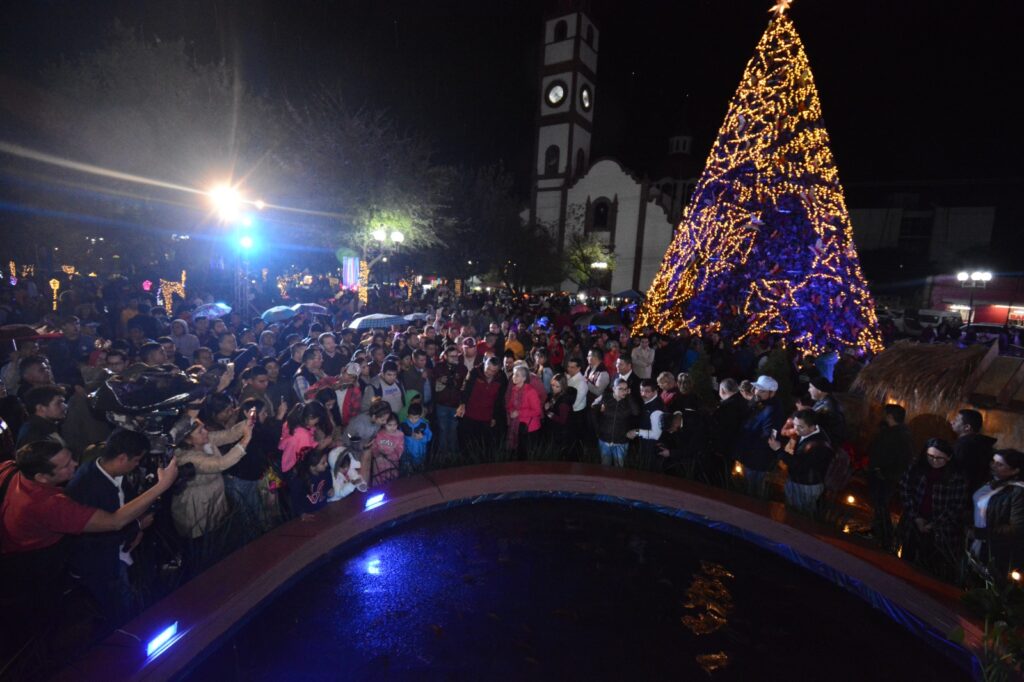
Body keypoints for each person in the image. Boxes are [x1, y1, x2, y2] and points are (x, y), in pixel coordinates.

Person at [0, 441, 178, 642]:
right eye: (66, 466)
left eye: (72, 458)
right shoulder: (47, 505)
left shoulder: (8, 469)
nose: (75, 464)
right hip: (34, 569)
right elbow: (114, 521)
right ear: (41, 477)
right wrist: (162, 485)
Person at [65, 428, 151, 626]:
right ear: (122, 458)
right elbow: (97, 533)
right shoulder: (87, 488)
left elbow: (128, 503)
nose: (137, 465)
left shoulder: (111, 472)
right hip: (102, 563)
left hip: (118, 553)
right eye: (136, 460)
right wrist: (138, 525)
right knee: (119, 606)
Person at [170, 416, 253, 573]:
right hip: (196, 509)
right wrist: (245, 440)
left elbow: (228, 434)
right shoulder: (187, 457)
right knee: (202, 550)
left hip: (213, 501)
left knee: (217, 542)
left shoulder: (204, 441)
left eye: (204, 427)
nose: (206, 432)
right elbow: (221, 464)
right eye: (200, 431)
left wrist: (245, 424)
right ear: (188, 440)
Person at [897, 438, 969, 578]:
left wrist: (933, 524)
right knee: (907, 560)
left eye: (939, 458)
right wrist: (916, 517)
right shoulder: (916, 467)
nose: (934, 461)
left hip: (941, 529)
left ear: (948, 458)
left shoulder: (957, 477)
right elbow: (905, 489)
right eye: (930, 456)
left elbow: (956, 506)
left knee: (932, 568)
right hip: (913, 521)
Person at [970, 449, 1024, 583]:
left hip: (997, 549)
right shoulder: (991, 482)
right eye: (993, 461)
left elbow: (1017, 527)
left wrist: (984, 532)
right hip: (979, 542)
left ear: (1015, 471)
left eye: (1000, 464)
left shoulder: (1018, 491)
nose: (993, 466)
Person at [769, 409, 833, 515]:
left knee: (800, 515)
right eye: (795, 425)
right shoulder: (808, 433)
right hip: (799, 481)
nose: (796, 429)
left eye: (800, 427)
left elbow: (799, 466)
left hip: (806, 485)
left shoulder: (818, 445)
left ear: (813, 427)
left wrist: (778, 450)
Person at [866, 404, 913, 549]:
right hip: (889, 475)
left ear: (890, 416)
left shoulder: (894, 435)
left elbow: (888, 455)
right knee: (880, 505)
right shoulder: (902, 433)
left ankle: (884, 535)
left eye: (885, 414)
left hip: (884, 476)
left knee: (881, 504)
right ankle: (879, 531)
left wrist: (880, 470)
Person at [733, 375, 785, 499]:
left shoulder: (772, 411)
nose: (757, 392)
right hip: (750, 455)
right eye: (756, 389)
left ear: (772, 393)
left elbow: (768, 436)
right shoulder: (761, 403)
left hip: (756, 459)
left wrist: (749, 449)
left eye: (762, 391)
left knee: (753, 491)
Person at [456, 357, 507, 458]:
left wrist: (495, 417)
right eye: (488, 369)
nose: (490, 373)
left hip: (487, 417)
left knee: (483, 447)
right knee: (468, 445)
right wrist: (462, 404)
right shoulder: (474, 372)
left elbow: (500, 400)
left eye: (493, 371)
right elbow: (465, 389)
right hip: (470, 415)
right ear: (484, 364)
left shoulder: (501, 378)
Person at [593, 378, 638, 467]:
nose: (623, 391)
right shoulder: (605, 397)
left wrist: (629, 396)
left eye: (625, 389)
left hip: (621, 441)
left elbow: (636, 412)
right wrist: (599, 408)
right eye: (620, 389)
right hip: (604, 440)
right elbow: (593, 407)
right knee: (605, 466)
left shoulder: (629, 401)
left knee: (619, 468)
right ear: (613, 388)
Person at [280, 402, 334, 474]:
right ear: (311, 417)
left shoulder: (295, 421)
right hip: (293, 467)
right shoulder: (302, 435)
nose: (317, 422)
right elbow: (309, 457)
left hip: (287, 458)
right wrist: (323, 445)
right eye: (317, 419)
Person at [951, 409, 997, 492]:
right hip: (976, 489)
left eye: (956, 420)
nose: (952, 422)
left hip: (961, 490)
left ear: (967, 427)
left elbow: (956, 470)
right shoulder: (983, 444)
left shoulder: (963, 445)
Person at [433, 345, 467, 456]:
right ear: (445, 356)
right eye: (452, 356)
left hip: (455, 404)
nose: (454, 358)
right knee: (442, 430)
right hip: (441, 404)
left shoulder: (462, 368)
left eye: (456, 356)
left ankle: (453, 456)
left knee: (453, 430)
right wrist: (439, 380)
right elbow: (432, 384)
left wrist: (462, 403)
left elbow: (464, 387)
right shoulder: (438, 367)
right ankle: (442, 456)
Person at [627, 379, 666, 470]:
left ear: (655, 391)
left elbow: (656, 435)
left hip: (652, 449)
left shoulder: (656, 410)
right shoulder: (648, 402)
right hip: (646, 446)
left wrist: (636, 432)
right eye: (641, 390)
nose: (643, 394)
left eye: (647, 391)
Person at [506, 365, 543, 460]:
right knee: (518, 453)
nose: (514, 377)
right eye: (514, 374)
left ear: (524, 378)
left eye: (517, 375)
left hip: (529, 428)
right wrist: (511, 411)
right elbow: (510, 405)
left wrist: (519, 412)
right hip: (517, 425)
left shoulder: (531, 391)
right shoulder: (515, 389)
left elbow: (537, 411)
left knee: (526, 454)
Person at [288, 447, 332, 518]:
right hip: (310, 513)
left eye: (326, 461)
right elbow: (295, 499)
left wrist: (330, 489)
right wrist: (301, 513)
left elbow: (328, 483)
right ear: (312, 467)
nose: (326, 464)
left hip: (325, 508)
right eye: (323, 463)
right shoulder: (299, 481)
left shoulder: (326, 472)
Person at [544, 373, 577, 460]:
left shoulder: (564, 401)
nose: (553, 388)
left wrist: (549, 413)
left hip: (560, 434)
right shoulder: (555, 395)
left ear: (563, 386)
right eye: (552, 385)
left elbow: (562, 420)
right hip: (554, 431)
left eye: (557, 386)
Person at [368, 413, 404, 487]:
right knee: (378, 485)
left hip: (392, 466)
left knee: (391, 485)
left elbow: (400, 449)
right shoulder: (379, 434)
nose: (392, 427)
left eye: (395, 425)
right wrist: (377, 453)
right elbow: (374, 446)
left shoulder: (400, 435)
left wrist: (390, 456)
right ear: (384, 424)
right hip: (378, 466)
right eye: (389, 425)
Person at [808, 376, 846, 444]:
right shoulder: (823, 400)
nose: (809, 390)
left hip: (830, 442)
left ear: (819, 390)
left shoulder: (827, 406)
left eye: (811, 387)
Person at [400, 402, 432, 472]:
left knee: (419, 472)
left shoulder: (424, 425)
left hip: (420, 453)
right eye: (411, 418)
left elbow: (429, 436)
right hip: (407, 454)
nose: (413, 420)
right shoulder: (403, 425)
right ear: (408, 415)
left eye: (416, 418)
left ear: (420, 416)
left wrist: (422, 438)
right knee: (408, 472)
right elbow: (399, 437)